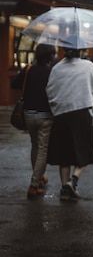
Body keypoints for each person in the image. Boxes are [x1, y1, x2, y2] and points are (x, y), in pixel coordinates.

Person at [46, 40, 93, 200]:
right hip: (81, 112)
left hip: (62, 114)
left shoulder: (56, 68)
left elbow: (50, 89)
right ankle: (73, 181)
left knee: (64, 153)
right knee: (84, 150)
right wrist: (87, 96)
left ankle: (64, 186)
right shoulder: (88, 67)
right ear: (80, 51)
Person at [11, 44, 56, 199]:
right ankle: (34, 184)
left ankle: (39, 176)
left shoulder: (28, 69)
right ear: (50, 56)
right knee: (43, 149)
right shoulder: (52, 72)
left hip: (29, 114)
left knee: (35, 146)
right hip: (45, 115)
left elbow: (14, 84)